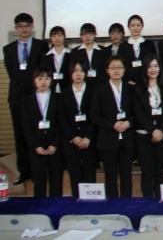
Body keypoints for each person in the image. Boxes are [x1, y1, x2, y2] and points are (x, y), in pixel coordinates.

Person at [3, 12, 48, 185]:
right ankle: (24, 171)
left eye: (27, 26)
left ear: (32, 27)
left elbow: (42, 70)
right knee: (20, 134)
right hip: (16, 98)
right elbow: (12, 73)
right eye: (20, 26)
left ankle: (39, 171)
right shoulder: (8, 49)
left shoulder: (41, 45)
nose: (24, 29)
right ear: (16, 28)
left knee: (36, 133)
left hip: (36, 96)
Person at [91, 56, 133, 198]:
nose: (116, 70)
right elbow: (94, 116)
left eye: (119, 67)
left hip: (127, 140)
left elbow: (137, 112)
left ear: (124, 70)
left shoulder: (130, 88)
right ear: (107, 70)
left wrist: (128, 123)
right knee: (110, 177)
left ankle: (127, 205)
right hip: (107, 140)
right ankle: (113, 207)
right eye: (113, 67)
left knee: (127, 176)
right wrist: (112, 125)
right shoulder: (100, 89)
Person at [131, 58, 163, 198]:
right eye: (149, 66)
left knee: (160, 172)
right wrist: (152, 130)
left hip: (162, 136)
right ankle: (147, 205)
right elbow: (138, 113)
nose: (153, 69)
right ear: (145, 69)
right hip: (143, 135)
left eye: (156, 66)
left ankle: (161, 203)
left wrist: (160, 131)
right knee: (147, 172)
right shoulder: (137, 89)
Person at [22, 66, 62, 196]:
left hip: (55, 146)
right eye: (40, 78)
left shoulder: (59, 98)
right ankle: (39, 206)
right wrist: (36, 146)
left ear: (51, 80)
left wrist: (55, 144)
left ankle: (57, 206)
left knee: (56, 181)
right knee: (39, 182)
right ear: (34, 81)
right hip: (36, 147)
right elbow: (26, 126)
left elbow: (62, 124)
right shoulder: (27, 101)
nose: (43, 82)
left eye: (47, 78)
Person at [60, 60, 97, 196]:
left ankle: (91, 203)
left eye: (81, 71)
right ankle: (76, 202)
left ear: (86, 73)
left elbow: (95, 116)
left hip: (89, 140)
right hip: (71, 141)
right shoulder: (64, 93)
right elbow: (62, 119)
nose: (78, 74)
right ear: (70, 74)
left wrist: (88, 137)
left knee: (90, 174)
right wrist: (73, 137)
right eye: (75, 71)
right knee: (74, 174)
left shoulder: (93, 91)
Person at [125, 14, 157, 86]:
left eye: (138, 25)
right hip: (128, 84)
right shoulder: (123, 46)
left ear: (142, 27)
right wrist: (127, 80)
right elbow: (122, 65)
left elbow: (154, 63)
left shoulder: (149, 44)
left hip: (147, 83)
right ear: (128, 27)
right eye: (133, 25)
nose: (135, 28)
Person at [40, 25, 71, 94]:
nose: (57, 38)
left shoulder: (71, 54)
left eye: (60, 35)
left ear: (64, 37)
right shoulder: (46, 57)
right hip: (51, 91)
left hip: (68, 90)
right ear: (50, 38)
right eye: (54, 36)